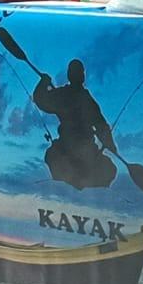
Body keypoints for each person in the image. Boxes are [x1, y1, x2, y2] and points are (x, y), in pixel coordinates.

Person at [33, 59, 118, 190]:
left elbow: (40, 99)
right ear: (82, 76)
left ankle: (77, 178)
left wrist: (43, 82)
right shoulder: (81, 98)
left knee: (109, 169)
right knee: (109, 169)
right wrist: (110, 145)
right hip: (72, 149)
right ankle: (78, 178)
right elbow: (101, 126)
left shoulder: (65, 95)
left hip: (81, 149)